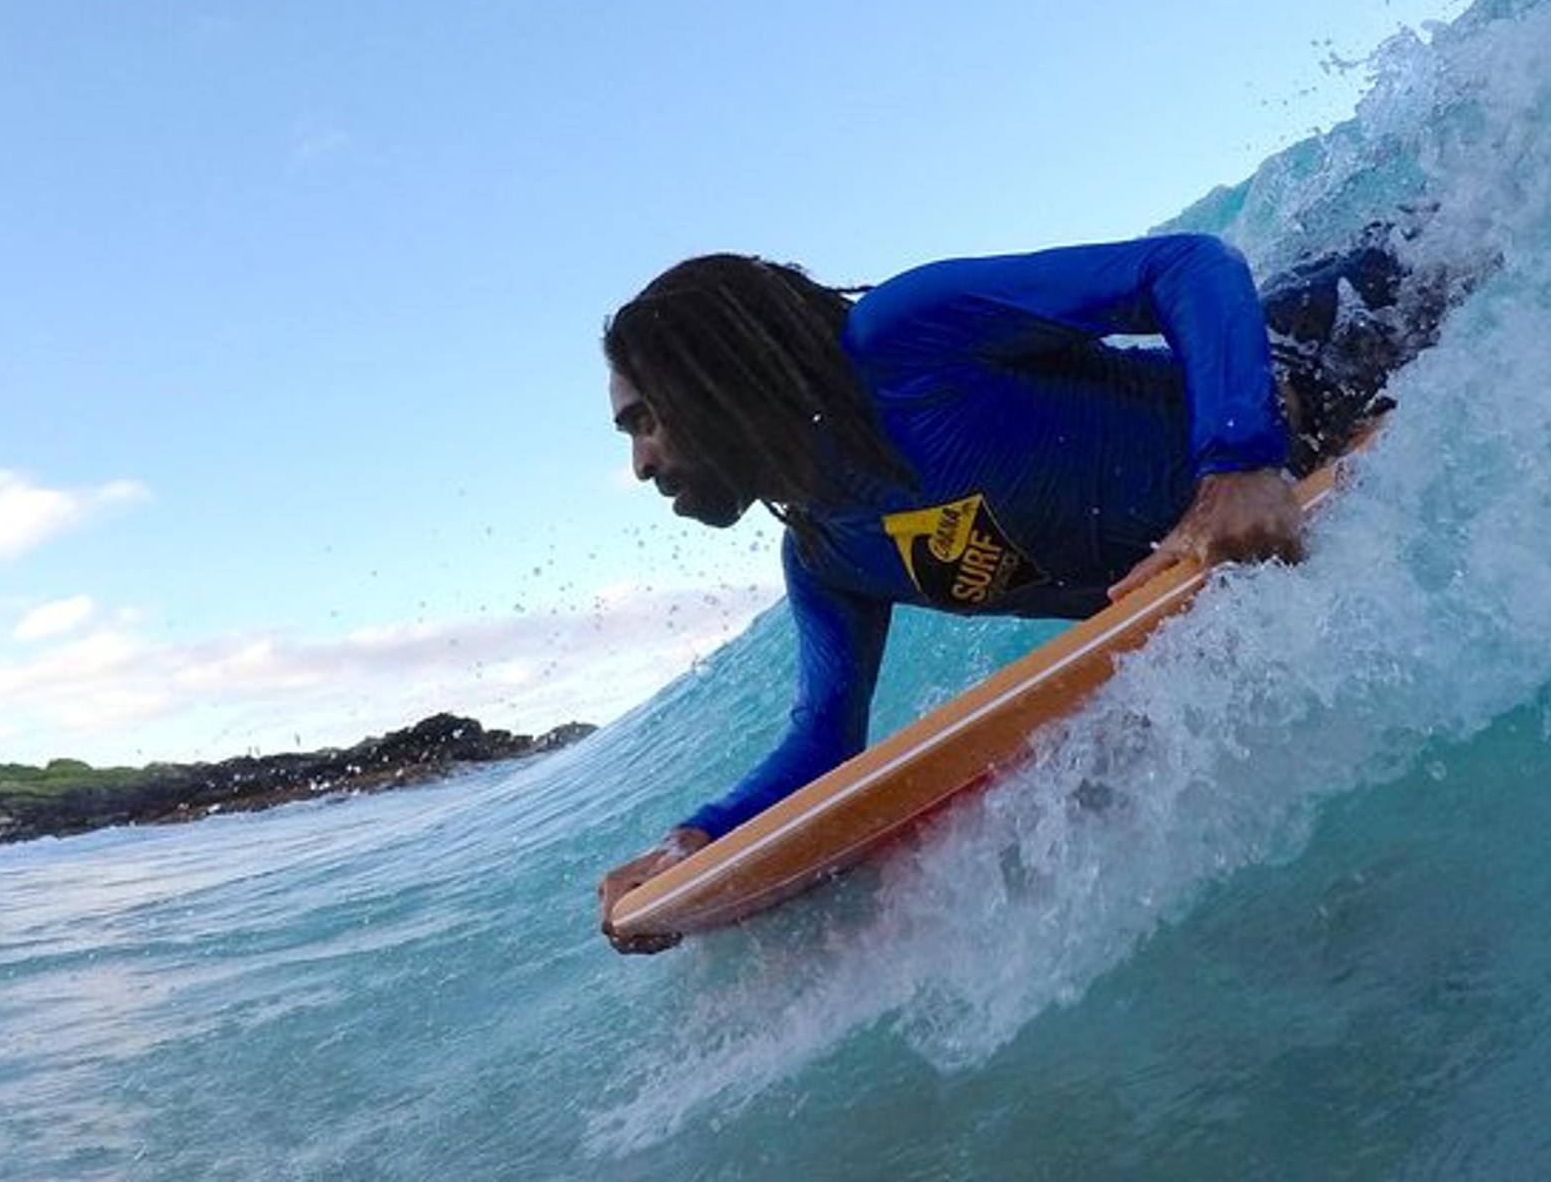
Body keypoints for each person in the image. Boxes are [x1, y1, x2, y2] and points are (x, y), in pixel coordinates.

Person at [596, 229, 1457, 953]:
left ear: (708, 374)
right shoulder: (824, 553)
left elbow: (1191, 268)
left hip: (1346, 333)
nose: (638, 463)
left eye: (644, 419)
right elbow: (826, 737)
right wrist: (697, 839)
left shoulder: (904, 339)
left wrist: (1238, 459)